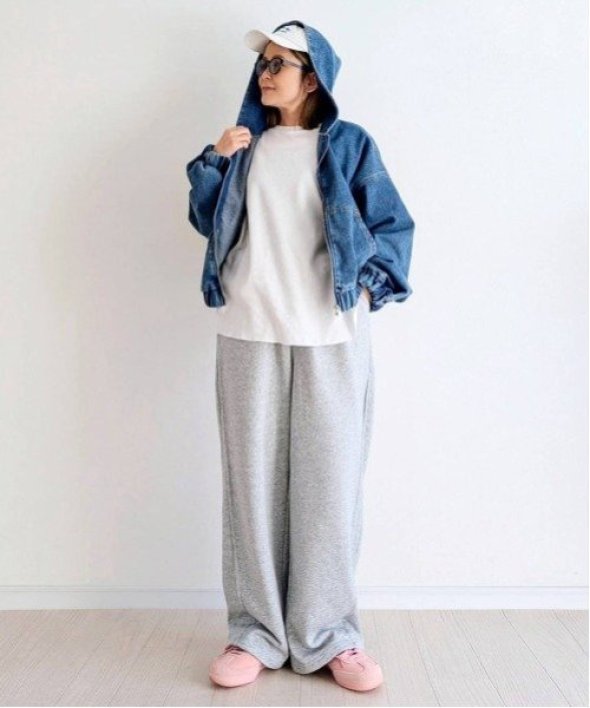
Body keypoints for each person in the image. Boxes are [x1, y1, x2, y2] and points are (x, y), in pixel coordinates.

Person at [186, 20, 415, 692]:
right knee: (252, 486)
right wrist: (214, 159)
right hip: (249, 326)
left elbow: (392, 226)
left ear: (312, 78)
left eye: (279, 64)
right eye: (263, 63)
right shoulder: (244, 146)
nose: (265, 74)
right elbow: (206, 220)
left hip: (331, 333)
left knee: (329, 487)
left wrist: (366, 289)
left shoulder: (348, 144)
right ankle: (254, 632)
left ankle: (330, 635)